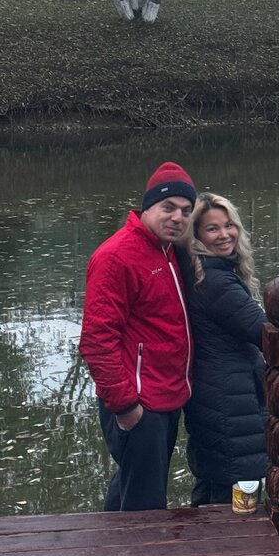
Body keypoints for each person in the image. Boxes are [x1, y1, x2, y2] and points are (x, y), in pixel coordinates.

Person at [182, 192, 279, 507]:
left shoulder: (205, 273)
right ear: (196, 236)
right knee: (241, 481)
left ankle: (206, 534)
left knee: (215, 480)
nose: (225, 234)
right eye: (212, 229)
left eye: (229, 225)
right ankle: (237, 537)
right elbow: (265, 333)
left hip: (215, 395)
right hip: (230, 401)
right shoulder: (216, 284)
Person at [79, 162, 197, 511]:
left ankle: (111, 540)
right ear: (147, 207)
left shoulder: (168, 249)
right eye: (168, 207)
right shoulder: (116, 257)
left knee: (134, 486)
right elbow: (97, 341)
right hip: (139, 402)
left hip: (166, 396)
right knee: (146, 506)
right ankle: (141, 550)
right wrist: (126, 407)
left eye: (186, 211)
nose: (177, 217)